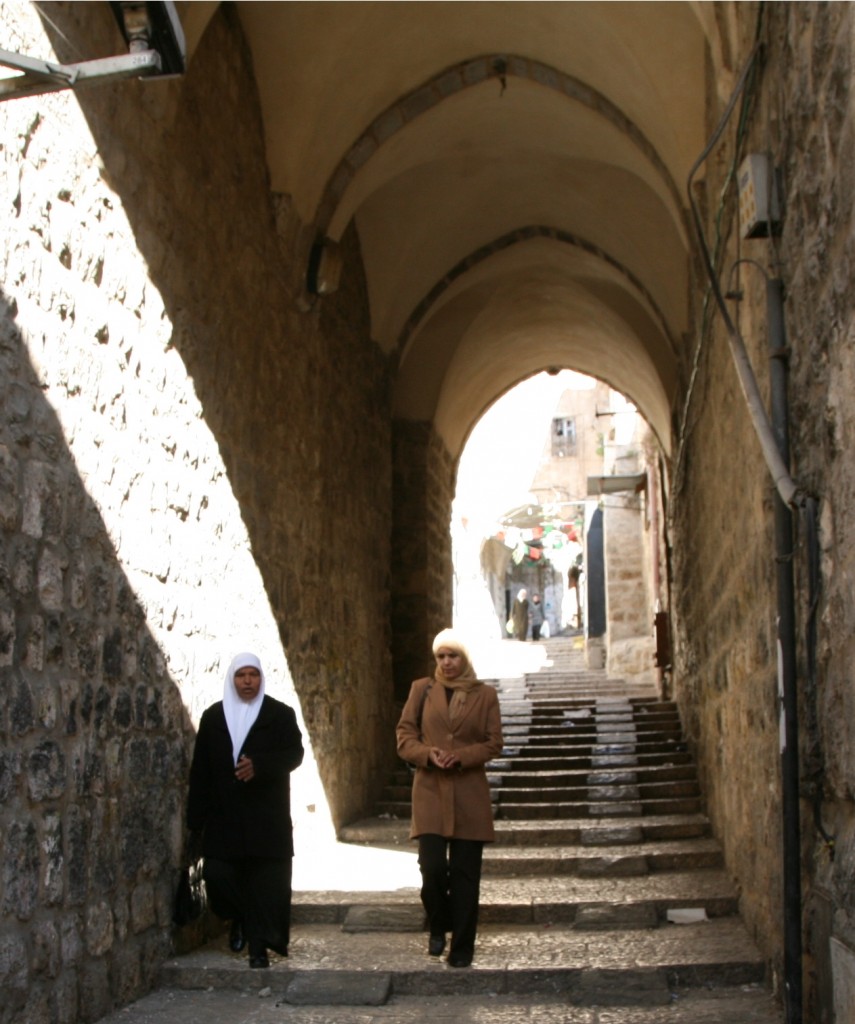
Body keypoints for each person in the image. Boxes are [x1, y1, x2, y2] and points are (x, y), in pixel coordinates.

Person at [187, 651, 304, 968]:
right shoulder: (214, 717)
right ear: (232, 679)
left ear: (261, 678)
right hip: (225, 818)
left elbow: (294, 753)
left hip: (266, 818)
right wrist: (194, 822)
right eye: (241, 675)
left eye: (253, 675)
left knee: (265, 884)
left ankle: (258, 949)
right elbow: (200, 771)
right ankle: (238, 917)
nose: (248, 681)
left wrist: (260, 766)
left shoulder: (279, 715)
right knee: (218, 876)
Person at [396, 628, 504, 968]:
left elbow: (493, 742)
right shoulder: (422, 690)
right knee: (431, 869)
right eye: (441, 656)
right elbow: (404, 736)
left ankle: (462, 948)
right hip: (430, 790)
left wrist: (461, 756)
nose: (446, 662)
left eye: (453, 655)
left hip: (468, 793)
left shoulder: (485, 695)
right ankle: (438, 921)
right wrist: (428, 754)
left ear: (464, 658)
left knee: (465, 875)